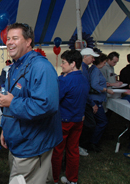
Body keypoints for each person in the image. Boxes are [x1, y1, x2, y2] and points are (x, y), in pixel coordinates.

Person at [0, 22, 62, 184]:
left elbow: (46, 105)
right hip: (19, 140)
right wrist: (6, 128)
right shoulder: (15, 67)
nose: (9, 42)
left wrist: (12, 102)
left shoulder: (40, 67)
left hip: (32, 144)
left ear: (28, 42)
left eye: (15, 38)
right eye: (8, 38)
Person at [51, 50, 90, 184]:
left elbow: (55, 99)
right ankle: (72, 179)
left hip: (64, 121)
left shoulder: (65, 80)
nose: (61, 65)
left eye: (63, 62)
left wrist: (60, 79)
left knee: (57, 151)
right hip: (78, 120)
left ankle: (54, 178)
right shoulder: (84, 79)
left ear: (73, 64)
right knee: (73, 150)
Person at [88, 53, 114, 152]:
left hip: (94, 98)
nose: (104, 65)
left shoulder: (91, 69)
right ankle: (93, 142)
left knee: (97, 121)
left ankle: (93, 141)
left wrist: (104, 83)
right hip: (96, 99)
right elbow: (94, 85)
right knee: (103, 121)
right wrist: (106, 89)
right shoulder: (95, 70)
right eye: (103, 63)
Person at [78, 48, 99, 156]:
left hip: (83, 100)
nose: (93, 59)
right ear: (85, 56)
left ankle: (80, 145)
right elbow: (85, 88)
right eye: (92, 57)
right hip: (83, 101)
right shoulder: (82, 68)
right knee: (89, 124)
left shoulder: (85, 68)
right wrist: (92, 103)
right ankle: (80, 145)